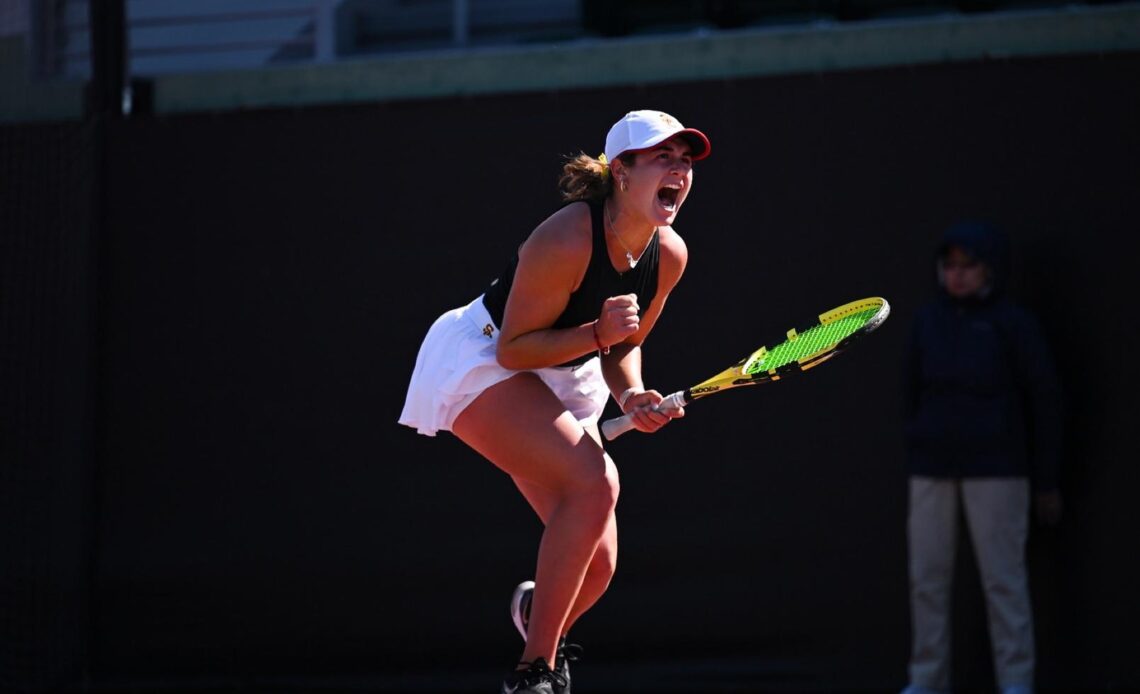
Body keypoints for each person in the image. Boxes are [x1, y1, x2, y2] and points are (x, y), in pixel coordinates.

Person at [399, 110, 711, 694]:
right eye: (663, 158)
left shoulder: (669, 254)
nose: (679, 170)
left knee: (598, 566)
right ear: (621, 171)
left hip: (567, 371)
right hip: (487, 358)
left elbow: (627, 346)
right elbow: (517, 350)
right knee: (597, 484)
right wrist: (597, 334)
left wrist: (633, 393)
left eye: (686, 160)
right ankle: (533, 673)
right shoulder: (566, 237)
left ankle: (535, 618)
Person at [901, 222, 1063, 694]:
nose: (957, 275)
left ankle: (1016, 683)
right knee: (927, 582)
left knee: (1003, 584)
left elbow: (1044, 399)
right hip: (931, 470)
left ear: (989, 269)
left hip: (998, 472)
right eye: (949, 266)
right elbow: (909, 392)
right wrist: (921, 443)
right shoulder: (928, 321)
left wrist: (1046, 480)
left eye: (967, 266)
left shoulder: (1014, 323)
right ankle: (927, 681)